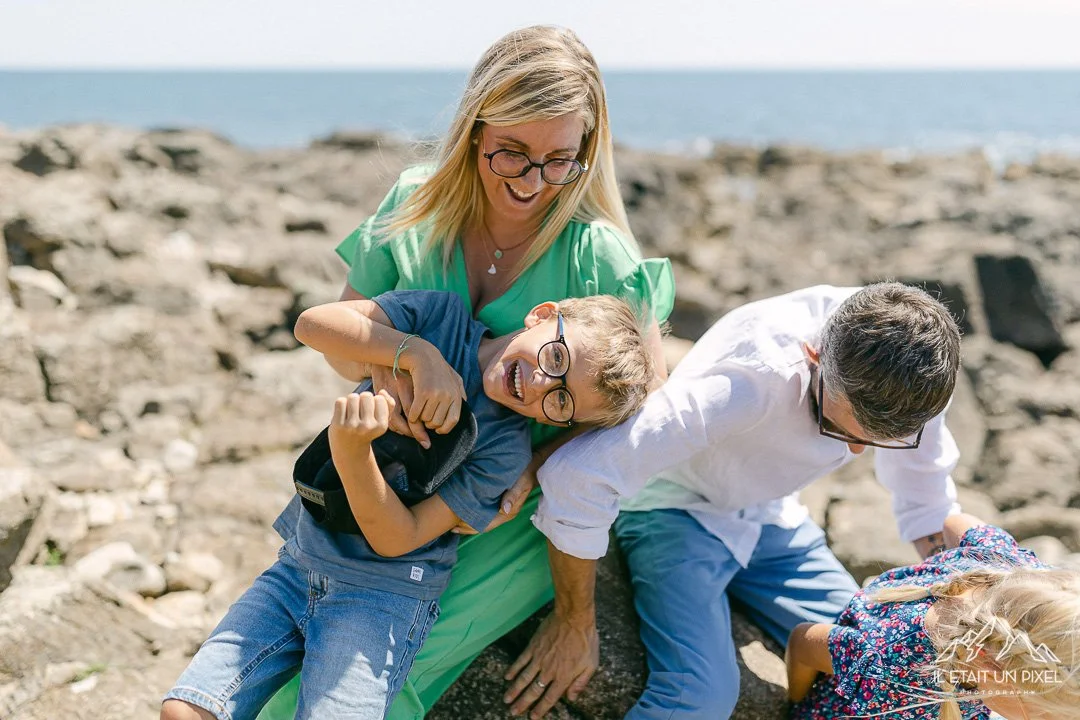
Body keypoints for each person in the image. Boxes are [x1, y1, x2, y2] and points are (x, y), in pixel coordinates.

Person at [258, 24, 675, 720]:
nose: (532, 183)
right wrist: (404, 355)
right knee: (269, 664)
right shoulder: (416, 202)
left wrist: (535, 479)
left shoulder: (599, 254)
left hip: (502, 513)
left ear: (586, 154)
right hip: (390, 473)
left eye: (558, 161)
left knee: (375, 676)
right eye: (512, 153)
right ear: (476, 127)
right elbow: (336, 345)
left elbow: (640, 416)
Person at [161, 289, 655, 720]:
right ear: (542, 315)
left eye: (563, 402)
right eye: (555, 359)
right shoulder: (439, 319)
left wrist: (353, 450)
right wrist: (415, 353)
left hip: (381, 598)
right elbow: (312, 323)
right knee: (186, 708)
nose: (543, 385)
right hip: (298, 564)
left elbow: (398, 538)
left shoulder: (506, 451)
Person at [530, 282, 965, 719]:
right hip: (678, 508)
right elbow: (578, 475)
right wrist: (574, 621)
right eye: (840, 431)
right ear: (813, 355)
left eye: (877, 443)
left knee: (895, 664)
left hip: (774, 517)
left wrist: (967, 595)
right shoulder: (749, 379)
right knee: (701, 699)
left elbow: (925, 500)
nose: (854, 452)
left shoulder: (919, 366)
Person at [788, 514, 1079, 719]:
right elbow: (802, 642)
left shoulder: (1018, 574)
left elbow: (955, 522)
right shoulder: (888, 666)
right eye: (1043, 716)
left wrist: (938, 558)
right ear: (992, 669)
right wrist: (793, 703)